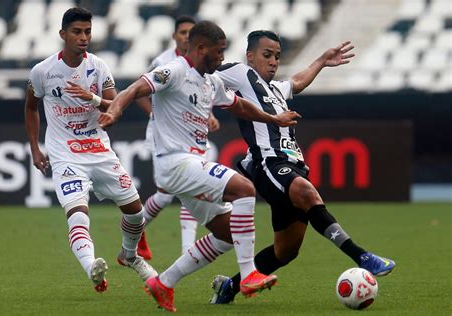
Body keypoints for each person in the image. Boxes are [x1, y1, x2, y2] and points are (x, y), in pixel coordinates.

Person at [98, 21, 301, 312]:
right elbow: (136, 88)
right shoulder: (175, 71)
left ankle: (164, 282)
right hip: (175, 162)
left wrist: (273, 119)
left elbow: (239, 106)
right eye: (218, 53)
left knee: (229, 233)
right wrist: (116, 107)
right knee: (244, 189)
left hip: (192, 166)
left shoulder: (211, 81)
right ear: (201, 48)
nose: (221, 59)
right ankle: (248, 275)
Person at [209, 30, 396, 304]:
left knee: (285, 252)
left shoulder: (275, 89)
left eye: (277, 56)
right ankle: (362, 256)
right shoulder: (239, 73)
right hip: (268, 163)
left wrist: (322, 60)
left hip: (292, 164)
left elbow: (296, 82)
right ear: (250, 57)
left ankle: (229, 287)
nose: (273, 61)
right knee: (307, 194)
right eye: (267, 55)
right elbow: (204, 77)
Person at [24, 7, 156, 293]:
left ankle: (129, 255)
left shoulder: (98, 66)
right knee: (77, 212)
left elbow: (115, 106)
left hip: (99, 150)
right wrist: (35, 149)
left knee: (136, 213)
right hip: (65, 154)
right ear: (63, 35)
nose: (83, 37)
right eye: (77, 32)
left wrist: (92, 98)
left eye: (87, 32)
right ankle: (92, 267)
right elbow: (31, 107)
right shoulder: (43, 71)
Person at [135, 16, 221, 259]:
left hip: (190, 136)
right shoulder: (163, 62)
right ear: (175, 36)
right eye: (182, 32)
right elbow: (139, 91)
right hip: (164, 137)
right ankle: (136, 230)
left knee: (190, 189)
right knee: (165, 194)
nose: (186, 36)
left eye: (190, 32)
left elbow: (199, 94)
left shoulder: (201, 64)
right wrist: (156, 114)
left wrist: (210, 115)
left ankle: (185, 249)